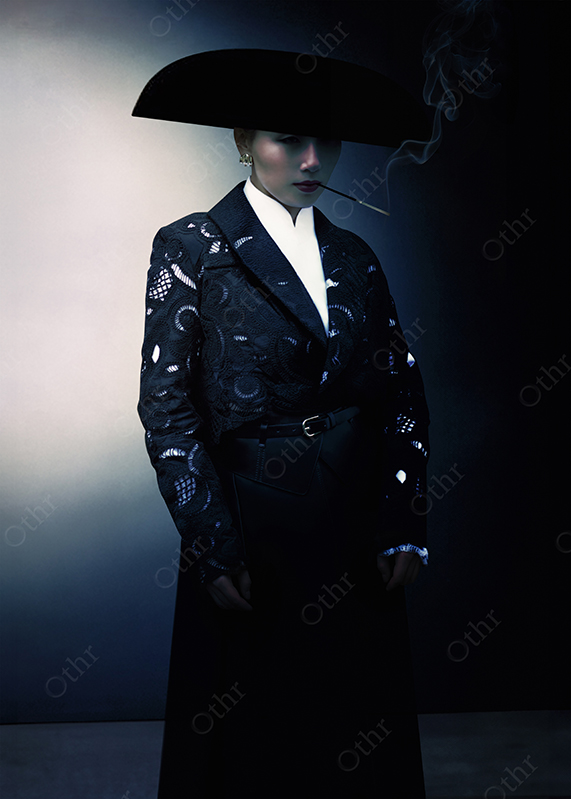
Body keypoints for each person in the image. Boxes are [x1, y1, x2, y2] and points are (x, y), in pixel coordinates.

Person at [134, 49, 431, 799]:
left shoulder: (355, 256)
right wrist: (209, 538)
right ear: (242, 139)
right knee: (252, 737)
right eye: (285, 139)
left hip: (354, 521)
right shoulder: (192, 245)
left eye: (322, 141)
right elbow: (166, 406)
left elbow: (401, 392)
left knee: (358, 731)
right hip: (251, 524)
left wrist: (402, 515)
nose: (309, 158)